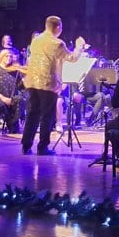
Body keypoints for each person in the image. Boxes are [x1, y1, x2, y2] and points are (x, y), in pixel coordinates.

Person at [21, 16, 88, 155]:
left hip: (32, 81)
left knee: (33, 113)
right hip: (47, 83)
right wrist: (79, 47)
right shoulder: (57, 43)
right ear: (58, 27)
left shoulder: (36, 40)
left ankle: (26, 145)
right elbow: (72, 58)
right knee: (47, 116)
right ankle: (42, 147)